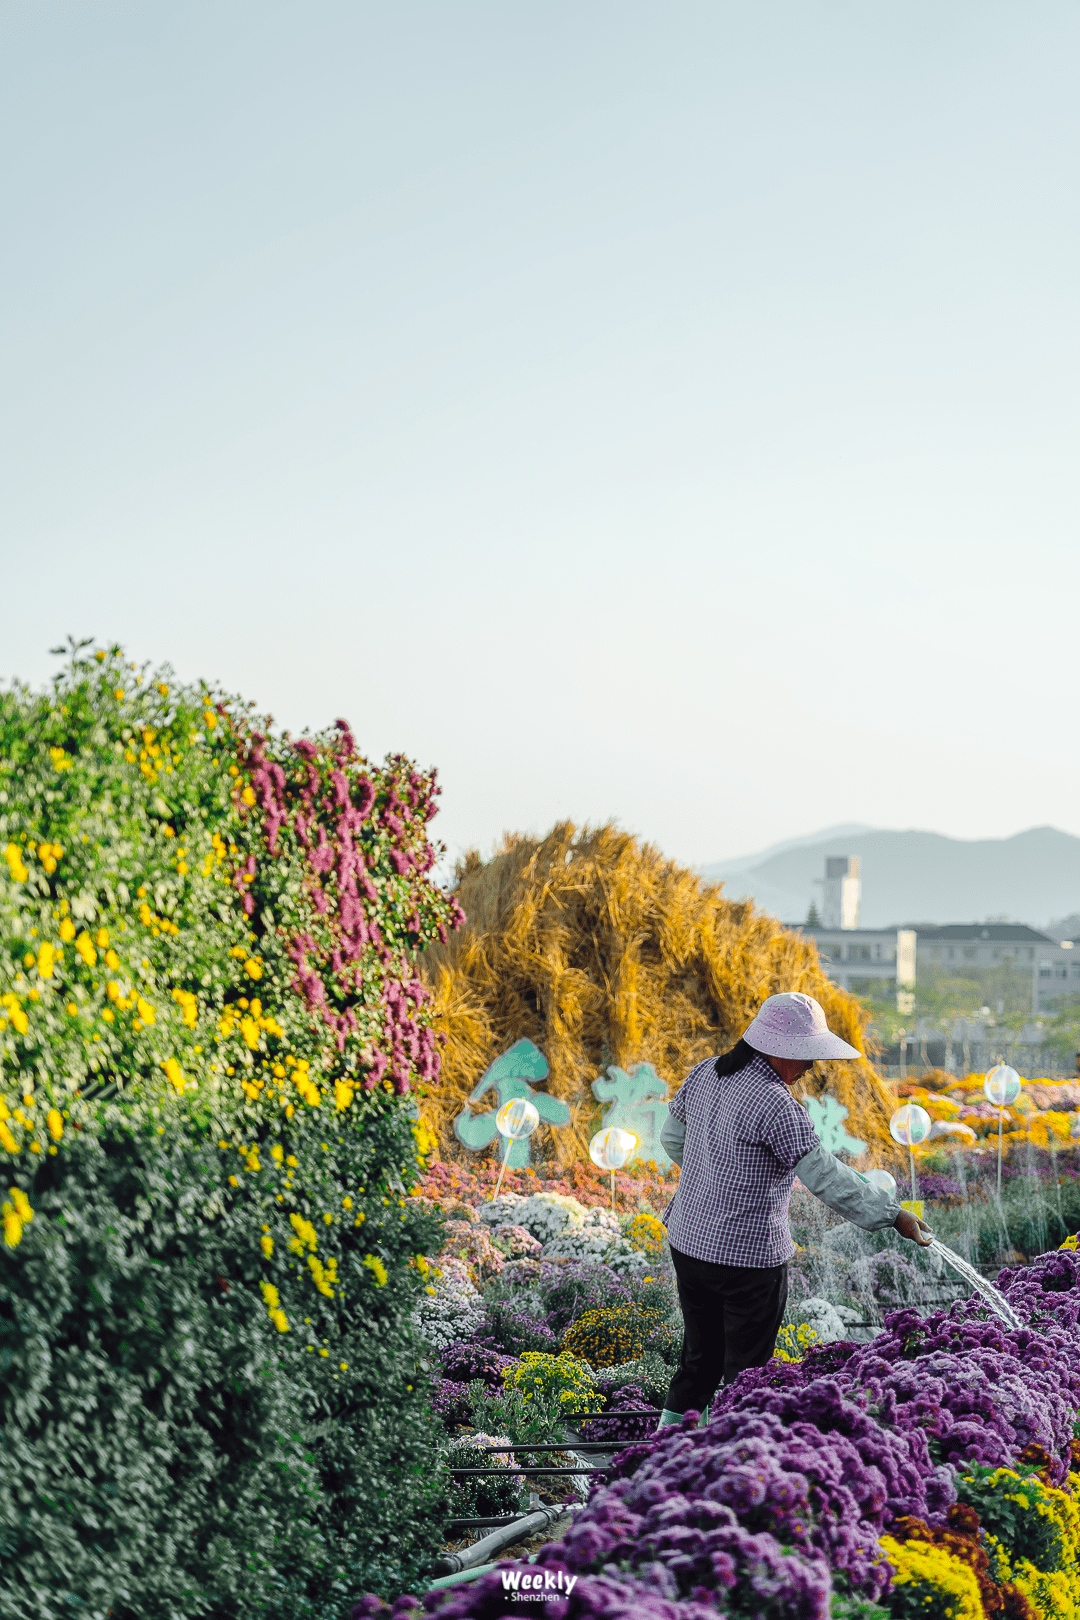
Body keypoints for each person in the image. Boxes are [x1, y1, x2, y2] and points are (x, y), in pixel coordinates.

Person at [655, 990, 932, 1428]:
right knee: (747, 1376)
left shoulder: (705, 1073)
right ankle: (738, 1463)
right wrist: (891, 1214)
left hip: (689, 1243)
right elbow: (825, 1177)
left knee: (698, 1361)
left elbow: (672, 1139)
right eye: (805, 1054)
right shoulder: (779, 1106)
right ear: (777, 1049)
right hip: (747, 1261)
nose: (809, 1067)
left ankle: (665, 1455)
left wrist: (712, 1180)